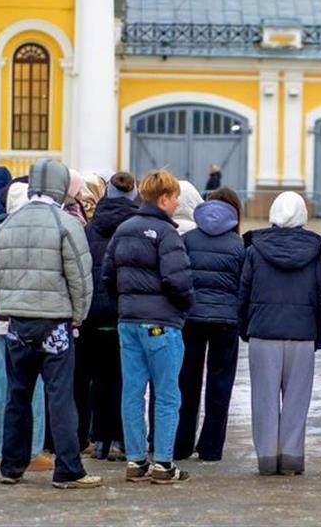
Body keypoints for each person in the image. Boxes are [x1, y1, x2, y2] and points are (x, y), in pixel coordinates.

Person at [0, 159, 100, 489]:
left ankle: (11, 466)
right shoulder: (66, 224)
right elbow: (80, 277)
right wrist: (77, 315)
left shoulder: (6, 224)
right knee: (60, 397)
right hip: (55, 325)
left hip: (17, 324)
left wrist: (9, 304)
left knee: (17, 395)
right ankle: (68, 469)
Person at [103, 169, 195, 484]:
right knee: (167, 394)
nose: (177, 204)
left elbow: (108, 275)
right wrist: (184, 306)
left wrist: (126, 304)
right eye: (175, 199)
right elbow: (178, 280)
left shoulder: (123, 229)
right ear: (164, 198)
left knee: (132, 391)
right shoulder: (168, 233)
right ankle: (164, 463)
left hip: (128, 322)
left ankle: (136, 459)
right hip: (161, 323)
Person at [239, 191, 321, 477]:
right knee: (297, 399)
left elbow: (244, 294)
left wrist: (245, 328)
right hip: (302, 333)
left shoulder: (255, 249)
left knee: (263, 398)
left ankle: (266, 458)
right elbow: (320, 297)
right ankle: (291, 457)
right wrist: (319, 334)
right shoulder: (315, 252)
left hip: (263, 333)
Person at [0, 180, 51, 473]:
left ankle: (6, 449)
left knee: (3, 386)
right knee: (32, 386)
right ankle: (31, 451)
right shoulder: (39, 234)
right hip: (30, 320)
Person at [175, 186, 245, 462]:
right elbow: (243, 285)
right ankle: (211, 447)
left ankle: (181, 445)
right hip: (226, 321)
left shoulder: (188, 239)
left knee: (186, 383)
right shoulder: (239, 245)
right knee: (220, 384)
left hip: (190, 319)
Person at [78, 171, 138, 461]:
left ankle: (99, 439)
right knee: (125, 378)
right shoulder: (137, 227)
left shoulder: (90, 227)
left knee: (98, 379)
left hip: (92, 312)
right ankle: (121, 439)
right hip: (125, 311)